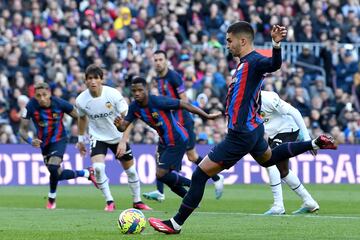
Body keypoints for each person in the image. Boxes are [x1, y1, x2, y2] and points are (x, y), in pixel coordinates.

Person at [148, 21, 337, 234]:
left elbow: (274, 65)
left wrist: (276, 45)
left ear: (242, 41)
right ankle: (315, 143)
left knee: (200, 175)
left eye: (229, 41)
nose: (227, 45)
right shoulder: (242, 64)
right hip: (253, 130)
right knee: (271, 158)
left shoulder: (254, 61)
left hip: (240, 135)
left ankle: (175, 224)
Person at [113, 77, 221, 203]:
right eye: (134, 90)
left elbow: (184, 104)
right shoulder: (134, 107)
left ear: (146, 89)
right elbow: (123, 127)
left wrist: (206, 116)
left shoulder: (158, 101)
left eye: (140, 90)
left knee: (161, 174)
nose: (137, 93)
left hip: (177, 138)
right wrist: (119, 125)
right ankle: (189, 200)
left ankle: (193, 185)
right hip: (164, 140)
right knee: (164, 176)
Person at [142, 50, 224, 202]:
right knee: (162, 155)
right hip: (171, 124)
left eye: (161, 59)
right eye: (156, 60)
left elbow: (184, 101)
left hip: (182, 123)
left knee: (190, 156)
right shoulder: (158, 78)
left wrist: (177, 121)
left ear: (166, 60)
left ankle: (216, 178)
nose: (158, 62)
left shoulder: (174, 77)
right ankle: (160, 192)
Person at [76, 64, 151, 212]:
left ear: (101, 79)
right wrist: (80, 139)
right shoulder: (81, 100)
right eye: (89, 78)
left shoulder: (113, 94)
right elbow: (82, 118)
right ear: (85, 81)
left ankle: (137, 201)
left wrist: (123, 141)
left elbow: (129, 118)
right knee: (98, 168)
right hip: (98, 137)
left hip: (117, 137)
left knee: (130, 171)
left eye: (96, 78)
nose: (93, 81)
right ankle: (110, 201)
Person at [19, 82, 98, 210]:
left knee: (53, 166)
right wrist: (30, 140)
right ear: (35, 96)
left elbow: (80, 117)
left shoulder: (60, 103)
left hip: (59, 139)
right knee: (56, 173)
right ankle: (86, 173)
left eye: (44, 95)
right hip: (44, 144)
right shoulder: (30, 106)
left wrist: (81, 137)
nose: (42, 98)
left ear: (49, 93)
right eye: (38, 95)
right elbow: (22, 130)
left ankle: (51, 198)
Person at [260, 90, 319, 215]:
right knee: (283, 171)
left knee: (271, 162)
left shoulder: (268, 98)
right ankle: (309, 202)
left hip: (287, 129)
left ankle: (278, 205)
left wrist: (307, 140)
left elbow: (295, 112)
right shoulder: (244, 103)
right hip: (273, 134)